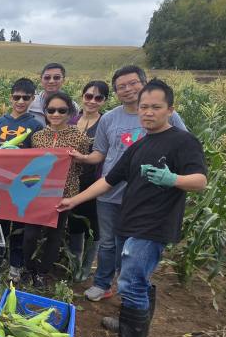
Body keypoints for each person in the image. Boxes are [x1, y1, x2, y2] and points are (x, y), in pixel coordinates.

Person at [58, 79, 207, 337]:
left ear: (170, 109)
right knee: (136, 278)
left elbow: (200, 181)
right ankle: (133, 322)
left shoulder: (183, 141)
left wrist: (173, 179)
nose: (148, 112)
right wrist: (73, 201)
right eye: (144, 107)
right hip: (130, 219)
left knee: (131, 281)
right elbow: (108, 180)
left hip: (153, 224)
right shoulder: (140, 145)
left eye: (156, 107)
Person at [70, 65, 187, 302]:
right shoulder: (109, 119)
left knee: (133, 247)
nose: (128, 89)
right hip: (110, 191)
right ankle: (103, 284)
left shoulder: (166, 117)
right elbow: (101, 153)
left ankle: (130, 292)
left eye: (133, 83)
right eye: (121, 86)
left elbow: (182, 148)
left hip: (146, 196)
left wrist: (172, 179)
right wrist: (82, 158)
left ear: (144, 83)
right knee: (108, 243)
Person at [22, 91, 90, 288]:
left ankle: (42, 272)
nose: (56, 114)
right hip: (38, 193)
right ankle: (28, 268)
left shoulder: (79, 137)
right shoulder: (38, 137)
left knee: (55, 234)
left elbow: (81, 167)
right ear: (45, 112)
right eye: (51, 110)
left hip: (64, 194)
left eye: (62, 110)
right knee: (30, 234)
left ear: (70, 112)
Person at [0, 78, 44, 281]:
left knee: (19, 228)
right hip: (0, 183)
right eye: (17, 97)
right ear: (10, 97)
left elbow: (39, 158)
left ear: (32, 99)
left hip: (23, 185)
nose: (20, 101)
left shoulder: (36, 126)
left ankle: (15, 265)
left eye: (25, 98)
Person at [66, 80, 109, 280]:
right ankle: (75, 264)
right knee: (75, 223)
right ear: (82, 97)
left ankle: (86, 267)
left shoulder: (105, 123)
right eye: (89, 96)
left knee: (93, 226)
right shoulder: (71, 121)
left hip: (95, 181)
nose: (92, 101)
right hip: (72, 180)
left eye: (98, 98)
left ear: (104, 101)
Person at [29, 62, 67, 127]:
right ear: (41, 80)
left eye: (56, 77)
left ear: (63, 80)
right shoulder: (30, 103)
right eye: (47, 77)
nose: (51, 81)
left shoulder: (72, 106)